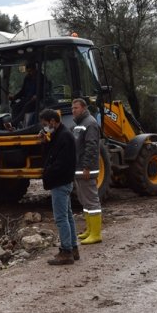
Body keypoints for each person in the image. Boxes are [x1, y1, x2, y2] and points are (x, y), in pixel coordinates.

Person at [39, 108, 78, 265]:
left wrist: (46, 174)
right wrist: (44, 142)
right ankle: (73, 248)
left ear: (53, 122)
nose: (44, 127)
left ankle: (66, 252)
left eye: (45, 124)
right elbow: (51, 154)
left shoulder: (64, 137)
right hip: (63, 181)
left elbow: (60, 163)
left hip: (60, 182)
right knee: (68, 216)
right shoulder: (59, 135)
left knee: (61, 218)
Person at [72, 98, 103, 245]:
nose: (73, 111)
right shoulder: (80, 124)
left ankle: (96, 234)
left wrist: (87, 167)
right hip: (78, 168)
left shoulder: (90, 123)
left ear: (83, 108)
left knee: (91, 201)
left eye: (76, 108)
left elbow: (91, 146)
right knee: (84, 201)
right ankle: (89, 230)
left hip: (86, 169)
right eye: (72, 108)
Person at [9, 62, 40, 127]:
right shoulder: (27, 78)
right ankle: (14, 127)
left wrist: (37, 95)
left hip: (37, 101)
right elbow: (22, 91)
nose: (29, 73)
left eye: (30, 71)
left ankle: (13, 124)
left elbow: (44, 90)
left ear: (35, 69)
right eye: (27, 71)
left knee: (26, 106)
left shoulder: (41, 78)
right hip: (27, 99)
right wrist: (14, 97)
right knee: (15, 107)